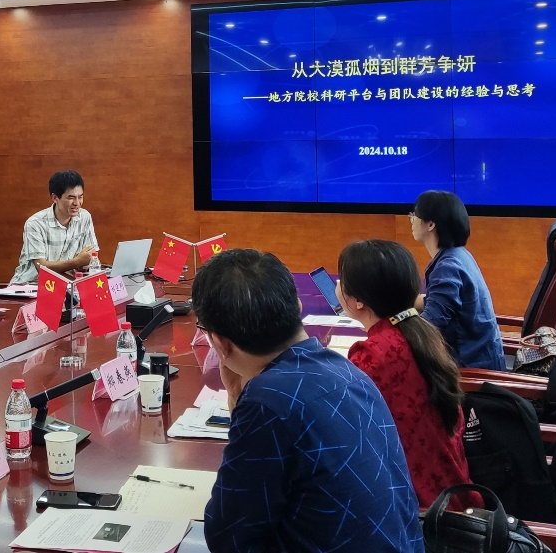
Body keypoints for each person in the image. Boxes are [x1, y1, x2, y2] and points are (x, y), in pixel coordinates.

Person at [192, 249, 423, 553]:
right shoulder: (349, 371)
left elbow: (228, 536)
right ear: (298, 307)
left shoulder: (268, 403)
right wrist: (238, 395)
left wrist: (242, 398)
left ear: (220, 342)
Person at [336, 239, 480, 509]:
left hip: (419, 512)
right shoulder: (422, 334)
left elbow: (344, 440)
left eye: (341, 280)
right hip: (455, 494)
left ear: (357, 301)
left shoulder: (372, 356)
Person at [410, 190, 504, 370]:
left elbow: (431, 324)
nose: (411, 220)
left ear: (431, 224)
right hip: (478, 360)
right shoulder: (459, 255)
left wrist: (391, 323)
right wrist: (399, 304)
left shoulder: (448, 266)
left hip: (471, 372)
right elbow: (443, 303)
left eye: (414, 215)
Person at [11, 170, 98, 284]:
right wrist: (77, 262)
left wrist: (85, 263)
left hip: (67, 284)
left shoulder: (84, 217)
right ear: (55, 198)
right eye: (71, 198)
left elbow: (91, 257)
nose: (77, 203)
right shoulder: (35, 223)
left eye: (80, 197)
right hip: (31, 285)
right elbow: (41, 268)